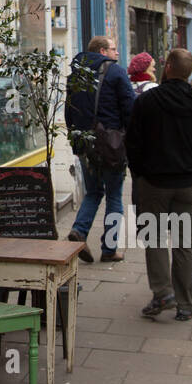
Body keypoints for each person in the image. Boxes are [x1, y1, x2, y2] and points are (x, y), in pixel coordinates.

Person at [126, 47, 192, 321]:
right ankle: (185, 303)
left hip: (154, 182)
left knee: (154, 239)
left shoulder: (147, 101)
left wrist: (140, 172)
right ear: (189, 73)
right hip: (188, 184)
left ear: (168, 67)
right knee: (185, 243)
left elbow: (134, 143)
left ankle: (162, 292)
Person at [65, 35, 136, 264]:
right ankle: (110, 248)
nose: (117, 53)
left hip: (85, 143)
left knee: (94, 192)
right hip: (111, 145)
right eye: (114, 49)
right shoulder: (115, 72)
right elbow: (130, 109)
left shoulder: (76, 72)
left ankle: (79, 232)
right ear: (103, 51)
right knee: (114, 195)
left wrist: (75, 139)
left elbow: (69, 110)